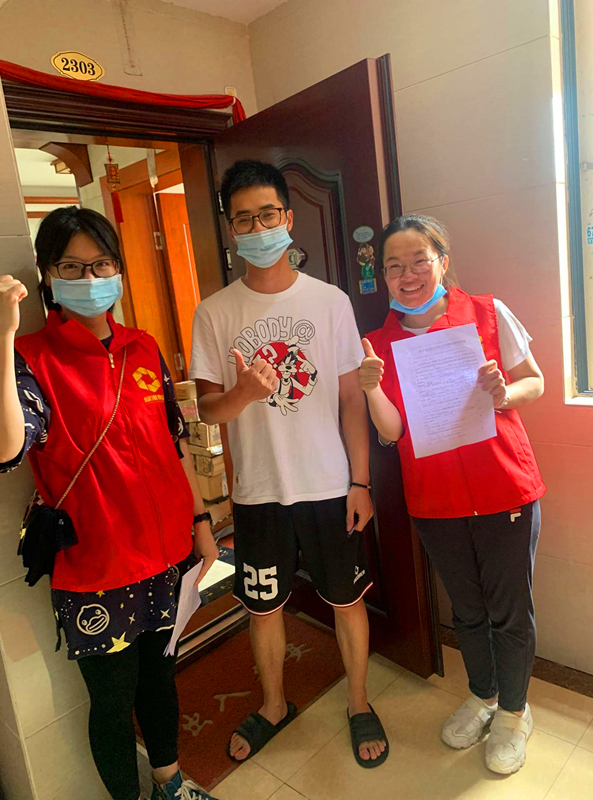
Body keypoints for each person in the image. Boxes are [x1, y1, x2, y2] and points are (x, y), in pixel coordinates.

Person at [0, 207, 220, 800]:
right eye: (72, 266)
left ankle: (170, 782)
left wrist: (201, 522)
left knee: (160, 680)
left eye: (102, 265)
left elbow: (173, 441)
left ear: (119, 268)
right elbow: (6, 450)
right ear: (48, 274)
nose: (90, 279)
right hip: (97, 570)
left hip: (167, 555)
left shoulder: (143, 346)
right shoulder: (32, 356)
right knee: (113, 703)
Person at [190, 160, 389, 768]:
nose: (258, 228)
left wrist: (360, 481)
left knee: (347, 600)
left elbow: (351, 400)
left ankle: (358, 701)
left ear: (289, 217)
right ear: (230, 229)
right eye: (244, 219)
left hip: (330, 485)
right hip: (258, 492)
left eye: (267, 214)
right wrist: (244, 393)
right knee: (263, 607)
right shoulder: (214, 312)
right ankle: (274, 704)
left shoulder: (329, 302)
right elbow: (207, 409)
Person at [359, 214, 545, 775]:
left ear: (442, 260)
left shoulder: (487, 312)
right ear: (384, 276)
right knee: (466, 611)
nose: (408, 275)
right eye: (394, 266)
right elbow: (392, 431)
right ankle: (484, 696)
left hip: (504, 488)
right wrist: (371, 390)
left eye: (419, 260)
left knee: (509, 613)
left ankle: (514, 712)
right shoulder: (380, 343)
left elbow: (534, 379)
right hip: (435, 501)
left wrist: (504, 393)